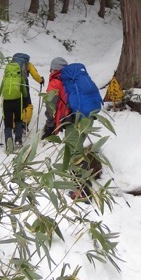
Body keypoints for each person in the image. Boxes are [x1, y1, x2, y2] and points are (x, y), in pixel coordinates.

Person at [41, 56, 102, 202]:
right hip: (87, 117)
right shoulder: (74, 80)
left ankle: (82, 192)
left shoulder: (56, 82)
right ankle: (78, 184)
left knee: (76, 154)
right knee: (77, 151)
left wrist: (50, 125)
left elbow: (50, 106)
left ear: (53, 69)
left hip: (73, 121)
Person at [0, 54, 44, 153]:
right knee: (26, 106)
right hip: (22, 88)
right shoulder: (28, 64)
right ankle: (23, 126)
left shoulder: (10, 67)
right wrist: (41, 81)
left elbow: (3, 81)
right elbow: (35, 74)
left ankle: (9, 141)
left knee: (8, 119)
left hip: (7, 96)